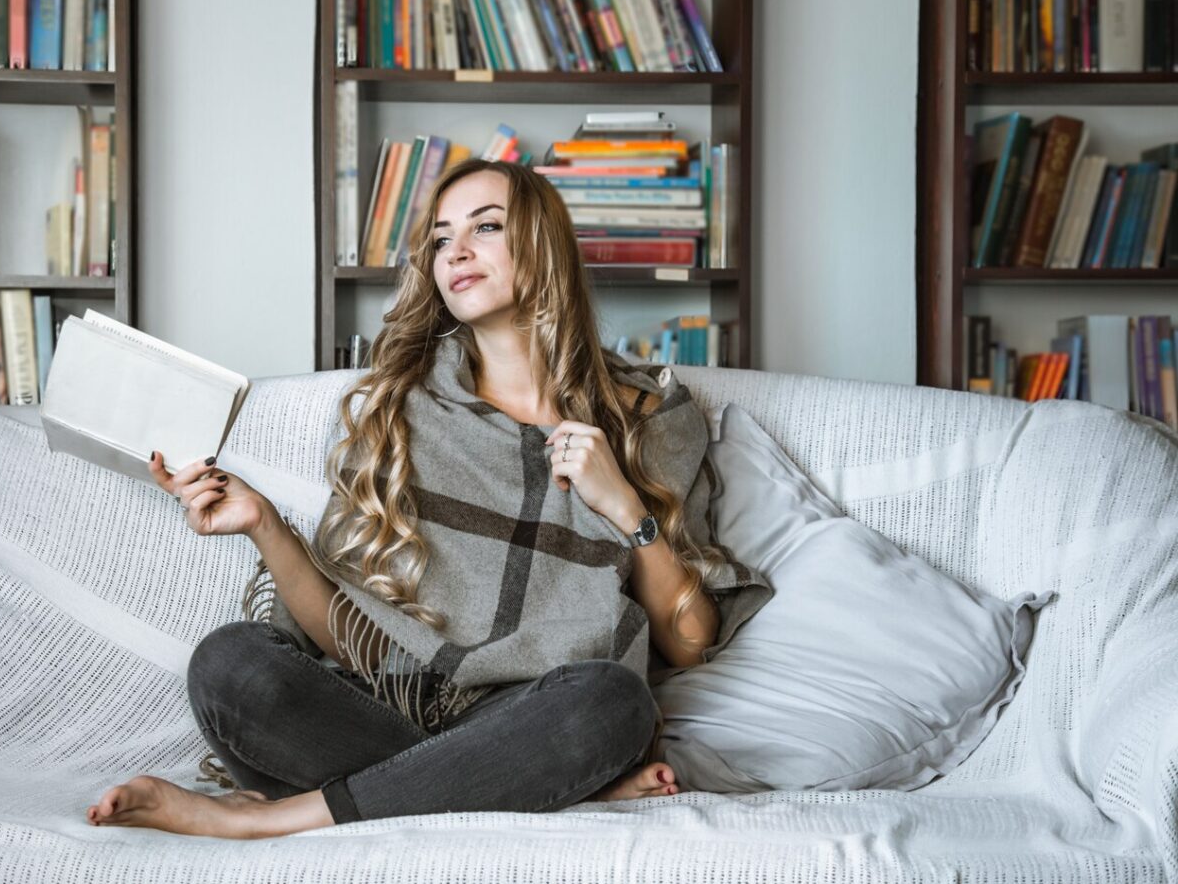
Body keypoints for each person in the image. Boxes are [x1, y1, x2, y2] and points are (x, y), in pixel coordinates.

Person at [86, 158, 769, 839]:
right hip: (386, 714)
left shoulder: (648, 414)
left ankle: (270, 819)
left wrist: (622, 505)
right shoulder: (399, 410)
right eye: (441, 239)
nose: (457, 252)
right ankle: (547, 789)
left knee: (613, 703)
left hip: (534, 713)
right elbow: (354, 646)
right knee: (229, 664)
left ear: (545, 244)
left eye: (487, 227)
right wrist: (261, 521)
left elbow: (688, 641)